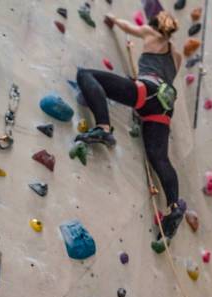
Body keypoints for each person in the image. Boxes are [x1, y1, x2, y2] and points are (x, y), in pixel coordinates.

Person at [75, 10, 185, 239]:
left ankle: (104, 128)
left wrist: (112, 18)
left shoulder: (150, 33)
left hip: (147, 91)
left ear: (156, 24)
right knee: (160, 158)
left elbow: (127, 27)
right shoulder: (178, 56)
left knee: (86, 75)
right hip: (165, 105)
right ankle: (174, 206)